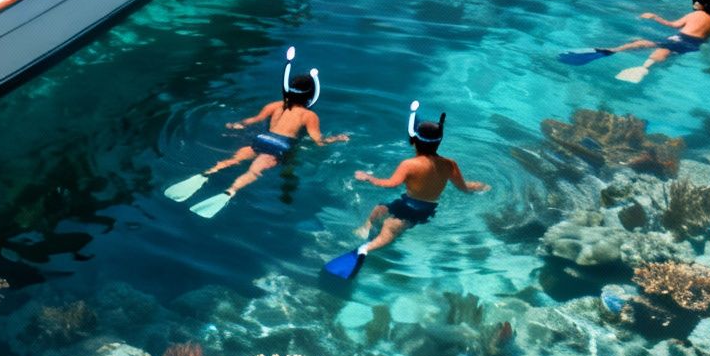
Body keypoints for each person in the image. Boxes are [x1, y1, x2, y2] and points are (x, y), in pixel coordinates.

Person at [172, 48, 346, 218]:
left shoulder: (275, 105)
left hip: (261, 139)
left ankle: (207, 173)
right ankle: (230, 191)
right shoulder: (309, 115)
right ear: (311, 96)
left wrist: (237, 124)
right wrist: (337, 138)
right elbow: (318, 140)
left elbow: (253, 120)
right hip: (280, 145)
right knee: (254, 172)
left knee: (234, 160)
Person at [325, 102, 488, 278]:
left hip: (416, 209)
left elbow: (391, 184)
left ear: (414, 142)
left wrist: (369, 178)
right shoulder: (449, 164)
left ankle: (364, 249)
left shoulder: (409, 164)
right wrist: (476, 187)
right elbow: (462, 187)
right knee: (380, 209)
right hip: (423, 206)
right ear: (439, 142)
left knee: (390, 227)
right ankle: (365, 228)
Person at [569, 0, 710, 84]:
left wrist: (654, 16)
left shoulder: (693, 15)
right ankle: (646, 68)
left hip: (679, 39)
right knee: (666, 54)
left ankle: (614, 51)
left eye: (696, 1)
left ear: (704, 4)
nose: (694, 3)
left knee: (645, 44)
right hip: (693, 46)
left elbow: (672, 25)